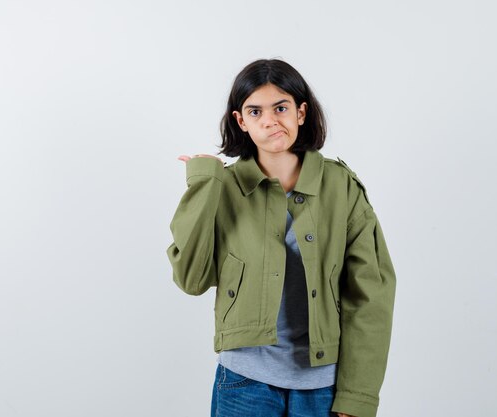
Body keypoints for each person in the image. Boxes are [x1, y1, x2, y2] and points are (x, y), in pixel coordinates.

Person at [166, 58, 396, 417]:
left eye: (281, 107)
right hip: (243, 382)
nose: (270, 120)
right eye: (255, 111)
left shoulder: (341, 187)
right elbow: (191, 279)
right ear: (240, 122)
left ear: (301, 113)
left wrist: (358, 396)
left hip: (323, 387)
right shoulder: (221, 187)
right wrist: (203, 182)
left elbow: (371, 296)